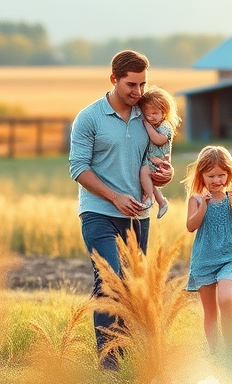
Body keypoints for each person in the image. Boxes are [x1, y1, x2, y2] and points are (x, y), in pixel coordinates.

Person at [68, 49, 174, 370]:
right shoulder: (89, 118)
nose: (138, 92)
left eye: (142, 85)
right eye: (131, 85)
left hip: (138, 216)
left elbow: (156, 164)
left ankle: (124, 353)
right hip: (99, 212)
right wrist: (114, 196)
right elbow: (78, 168)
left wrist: (165, 176)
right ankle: (109, 363)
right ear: (114, 79)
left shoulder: (149, 117)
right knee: (109, 280)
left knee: (130, 288)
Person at [184, 145, 232, 354]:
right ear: (201, 176)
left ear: (229, 174)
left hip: (229, 258)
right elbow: (191, 226)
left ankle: (231, 348)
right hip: (204, 261)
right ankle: (215, 354)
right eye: (211, 176)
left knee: (226, 299)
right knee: (210, 313)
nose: (217, 180)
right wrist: (203, 205)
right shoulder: (195, 199)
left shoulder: (231, 198)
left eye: (221, 175)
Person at [137, 86, 181, 219]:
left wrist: (147, 126)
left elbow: (159, 140)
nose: (150, 117)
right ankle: (161, 201)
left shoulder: (165, 126)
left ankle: (149, 198)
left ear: (164, 111)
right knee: (147, 180)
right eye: (147, 114)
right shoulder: (156, 124)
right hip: (153, 159)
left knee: (144, 172)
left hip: (159, 160)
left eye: (154, 113)